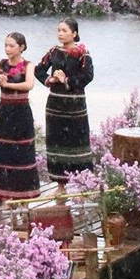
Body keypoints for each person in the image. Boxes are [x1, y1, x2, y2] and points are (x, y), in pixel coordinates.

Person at [35, 19, 94, 181]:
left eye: (64, 31)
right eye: (59, 30)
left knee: (77, 142)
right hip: (55, 105)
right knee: (56, 143)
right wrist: (50, 80)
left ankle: (82, 183)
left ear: (74, 33)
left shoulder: (83, 54)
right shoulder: (54, 51)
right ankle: (60, 185)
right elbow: (38, 70)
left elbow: (88, 76)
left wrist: (66, 80)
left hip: (75, 106)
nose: (60, 34)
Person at [0, 33, 40, 200]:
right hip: (5, 111)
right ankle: (5, 195)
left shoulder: (28, 65)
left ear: (21, 47)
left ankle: (24, 194)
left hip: (21, 111)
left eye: (11, 46)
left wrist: (7, 84)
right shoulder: (1, 64)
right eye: (6, 45)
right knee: (3, 151)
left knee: (22, 151)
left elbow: (29, 84)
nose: (8, 49)